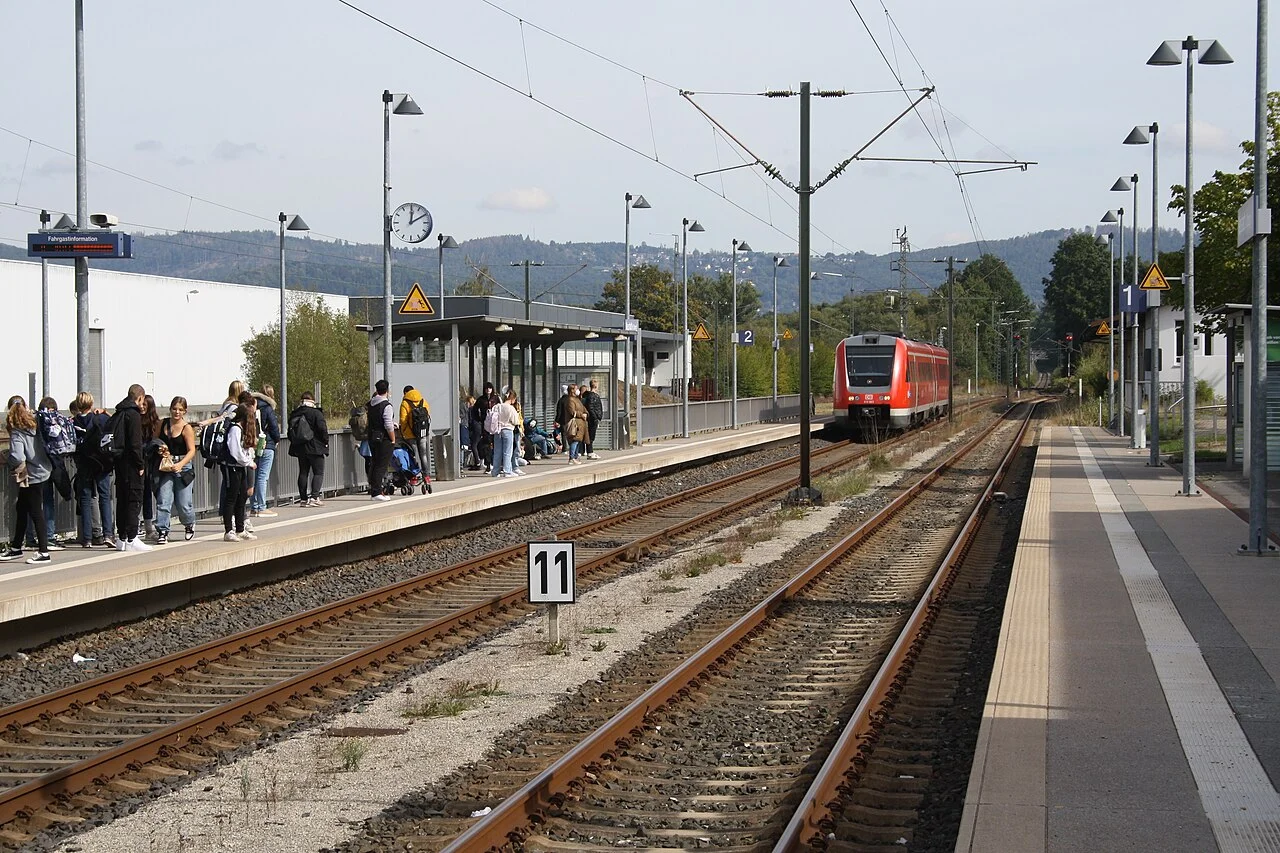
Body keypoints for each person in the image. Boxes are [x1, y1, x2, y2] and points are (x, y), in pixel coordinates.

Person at [1, 396, 53, 564]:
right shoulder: (35, 422)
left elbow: (17, 456)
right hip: (43, 469)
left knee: (36, 512)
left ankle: (44, 552)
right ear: (26, 406)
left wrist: (8, 458)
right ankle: (16, 547)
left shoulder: (17, 431)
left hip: (30, 474)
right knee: (22, 508)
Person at [72, 392, 115, 549]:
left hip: (83, 463)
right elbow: (114, 425)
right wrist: (104, 411)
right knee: (104, 497)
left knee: (85, 498)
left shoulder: (73, 422)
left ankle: (87, 538)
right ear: (91, 404)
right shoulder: (101, 419)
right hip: (101, 463)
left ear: (77, 405)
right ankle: (108, 534)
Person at [112, 384, 152, 552]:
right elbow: (135, 444)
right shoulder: (133, 415)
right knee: (134, 500)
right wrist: (140, 464)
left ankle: (121, 538)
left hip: (119, 463)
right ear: (140, 398)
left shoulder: (119, 412)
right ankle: (132, 537)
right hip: (132, 465)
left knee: (122, 499)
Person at [154, 397, 198, 545]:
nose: (176, 412)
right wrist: (159, 449)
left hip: (183, 466)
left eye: (180, 409)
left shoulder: (187, 428)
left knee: (183, 504)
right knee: (164, 500)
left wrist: (181, 464)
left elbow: (192, 451)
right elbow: (155, 441)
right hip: (166, 465)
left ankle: (189, 523)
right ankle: (162, 531)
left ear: (185, 411)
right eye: (174, 408)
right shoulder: (163, 423)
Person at [33, 397, 73, 550]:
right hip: (52, 464)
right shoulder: (55, 421)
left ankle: (33, 537)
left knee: (34, 504)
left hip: (36, 466)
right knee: (48, 502)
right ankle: (48, 537)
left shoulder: (35, 421)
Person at [220, 404, 257, 541]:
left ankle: (240, 529)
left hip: (239, 467)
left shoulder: (241, 429)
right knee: (231, 498)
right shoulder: (235, 429)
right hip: (231, 466)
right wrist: (248, 462)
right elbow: (235, 451)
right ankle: (229, 530)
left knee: (242, 496)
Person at [287, 391, 329, 506]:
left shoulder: (295, 413)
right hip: (315, 447)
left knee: (303, 472)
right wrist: (325, 441)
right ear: (313, 401)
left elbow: (289, 432)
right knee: (318, 472)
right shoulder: (316, 413)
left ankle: (303, 499)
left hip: (300, 448)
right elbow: (322, 429)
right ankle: (314, 497)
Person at [249, 384, 280, 519]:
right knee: (263, 476)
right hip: (267, 444)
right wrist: (276, 439)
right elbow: (274, 427)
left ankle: (254, 507)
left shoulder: (251, 406)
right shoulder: (267, 408)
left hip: (253, 444)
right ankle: (262, 507)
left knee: (255, 476)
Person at [366, 379, 396, 501]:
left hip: (372, 437)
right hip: (383, 438)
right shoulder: (386, 405)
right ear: (387, 390)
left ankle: (374, 489)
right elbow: (388, 424)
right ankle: (377, 492)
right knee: (381, 465)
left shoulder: (371, 404)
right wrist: (393, 438)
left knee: (374, 463)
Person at [139, 394, 162, 541]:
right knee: (144, 495)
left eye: (144, 405)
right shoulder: (135, 419)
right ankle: (147, 528)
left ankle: (155, 526)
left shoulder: (155, 423)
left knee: (157, 494)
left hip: (153, 463)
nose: (141, 407)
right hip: (141, 462)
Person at [399, 385, 431, 476]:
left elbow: (403, 419)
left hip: (410, 434)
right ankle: (426, 475)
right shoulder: (423, 401)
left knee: (414, 455)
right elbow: (427, 414)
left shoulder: (405, 403)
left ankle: (416, 474)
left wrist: (404, 430)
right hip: (422, 432)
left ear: (405, 393)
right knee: (423, 454)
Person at [556, 384, 589, 465]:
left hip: (581, 423)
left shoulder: (577, 399)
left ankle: (575, 456)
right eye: (576, 389)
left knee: (578, 440)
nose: (577, 390)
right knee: (574, 440)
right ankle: (572, 457)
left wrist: (586, 414)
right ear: (572, 390)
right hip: (575, 424)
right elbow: (572, 412)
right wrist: (581, 414)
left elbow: (584, 409)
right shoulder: (570, 400)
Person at [489, 391, 520, 478]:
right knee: (507, 451)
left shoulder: (496, 407)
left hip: (497, 430)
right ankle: (507, 471)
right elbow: (515, 421)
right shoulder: (510, 408)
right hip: (508, 430)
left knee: (497, 451)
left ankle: (495, 471)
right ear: (512, 399)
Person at [582, 378, 604, 460]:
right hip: (592, 419)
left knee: (591, 436)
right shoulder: (592, 396)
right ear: (595, 386)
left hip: (593, 418)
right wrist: (595, 417)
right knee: (591, 436)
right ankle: (590, 452)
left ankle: (590, 451)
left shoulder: (589, 395)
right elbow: (591, 407)